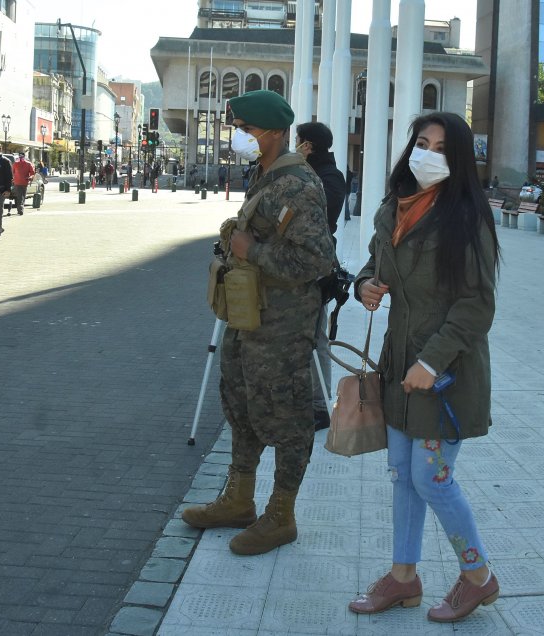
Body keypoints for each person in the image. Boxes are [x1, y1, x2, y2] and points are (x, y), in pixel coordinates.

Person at [349, 112, 502, 623]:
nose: (428, 154)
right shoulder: (394, 209)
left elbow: (477, 305)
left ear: (457, 160)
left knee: (432, 479)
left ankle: (478, 576)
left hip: (445, 375)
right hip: (399, 367)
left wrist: (431, 362)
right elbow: (375, 264)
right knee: (402, 476)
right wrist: (365, 285)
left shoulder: (467, 217)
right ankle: (403, 579)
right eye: (422, 143)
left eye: (441, 148)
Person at [180, 90, 336, 556]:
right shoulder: (265, 176)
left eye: (246, 130)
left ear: (272, 132)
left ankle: (281, 515)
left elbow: (317, 260)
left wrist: (253, 252)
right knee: (241, 405)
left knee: (286, 417)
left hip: (283, 327)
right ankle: (239, 500)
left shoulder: (297, 185)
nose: (239, 137)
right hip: (250, 317)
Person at [295, 121, 347, 430]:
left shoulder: (331, 177)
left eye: (299, 141)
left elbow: (320, 216)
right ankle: (305, 398)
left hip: (316, 266)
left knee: (316, 336)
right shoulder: (307, 171)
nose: (296, 146)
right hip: (296, 263)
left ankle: (320, 405)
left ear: (309, 146)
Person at [10, 151, 36, 216]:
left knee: (21, 196)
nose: (21, 158)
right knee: (21, 197)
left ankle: (20, 209)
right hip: (19, 182)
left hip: (23, 182)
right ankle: (20, 209)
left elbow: (32, 173)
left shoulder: (27, 164)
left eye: (22, 156)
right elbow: (12, 173)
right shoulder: (16, 164)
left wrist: (30, 177)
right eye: (20, 156)